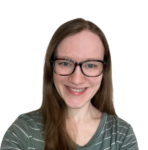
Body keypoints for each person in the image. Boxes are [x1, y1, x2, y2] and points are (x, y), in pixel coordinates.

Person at [0, 18, 139, 150]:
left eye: (90, 65)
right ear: (51, 67)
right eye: (65, 63)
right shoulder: (21, 133)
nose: (77, 79)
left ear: (104, 70)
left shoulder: (122, 135)